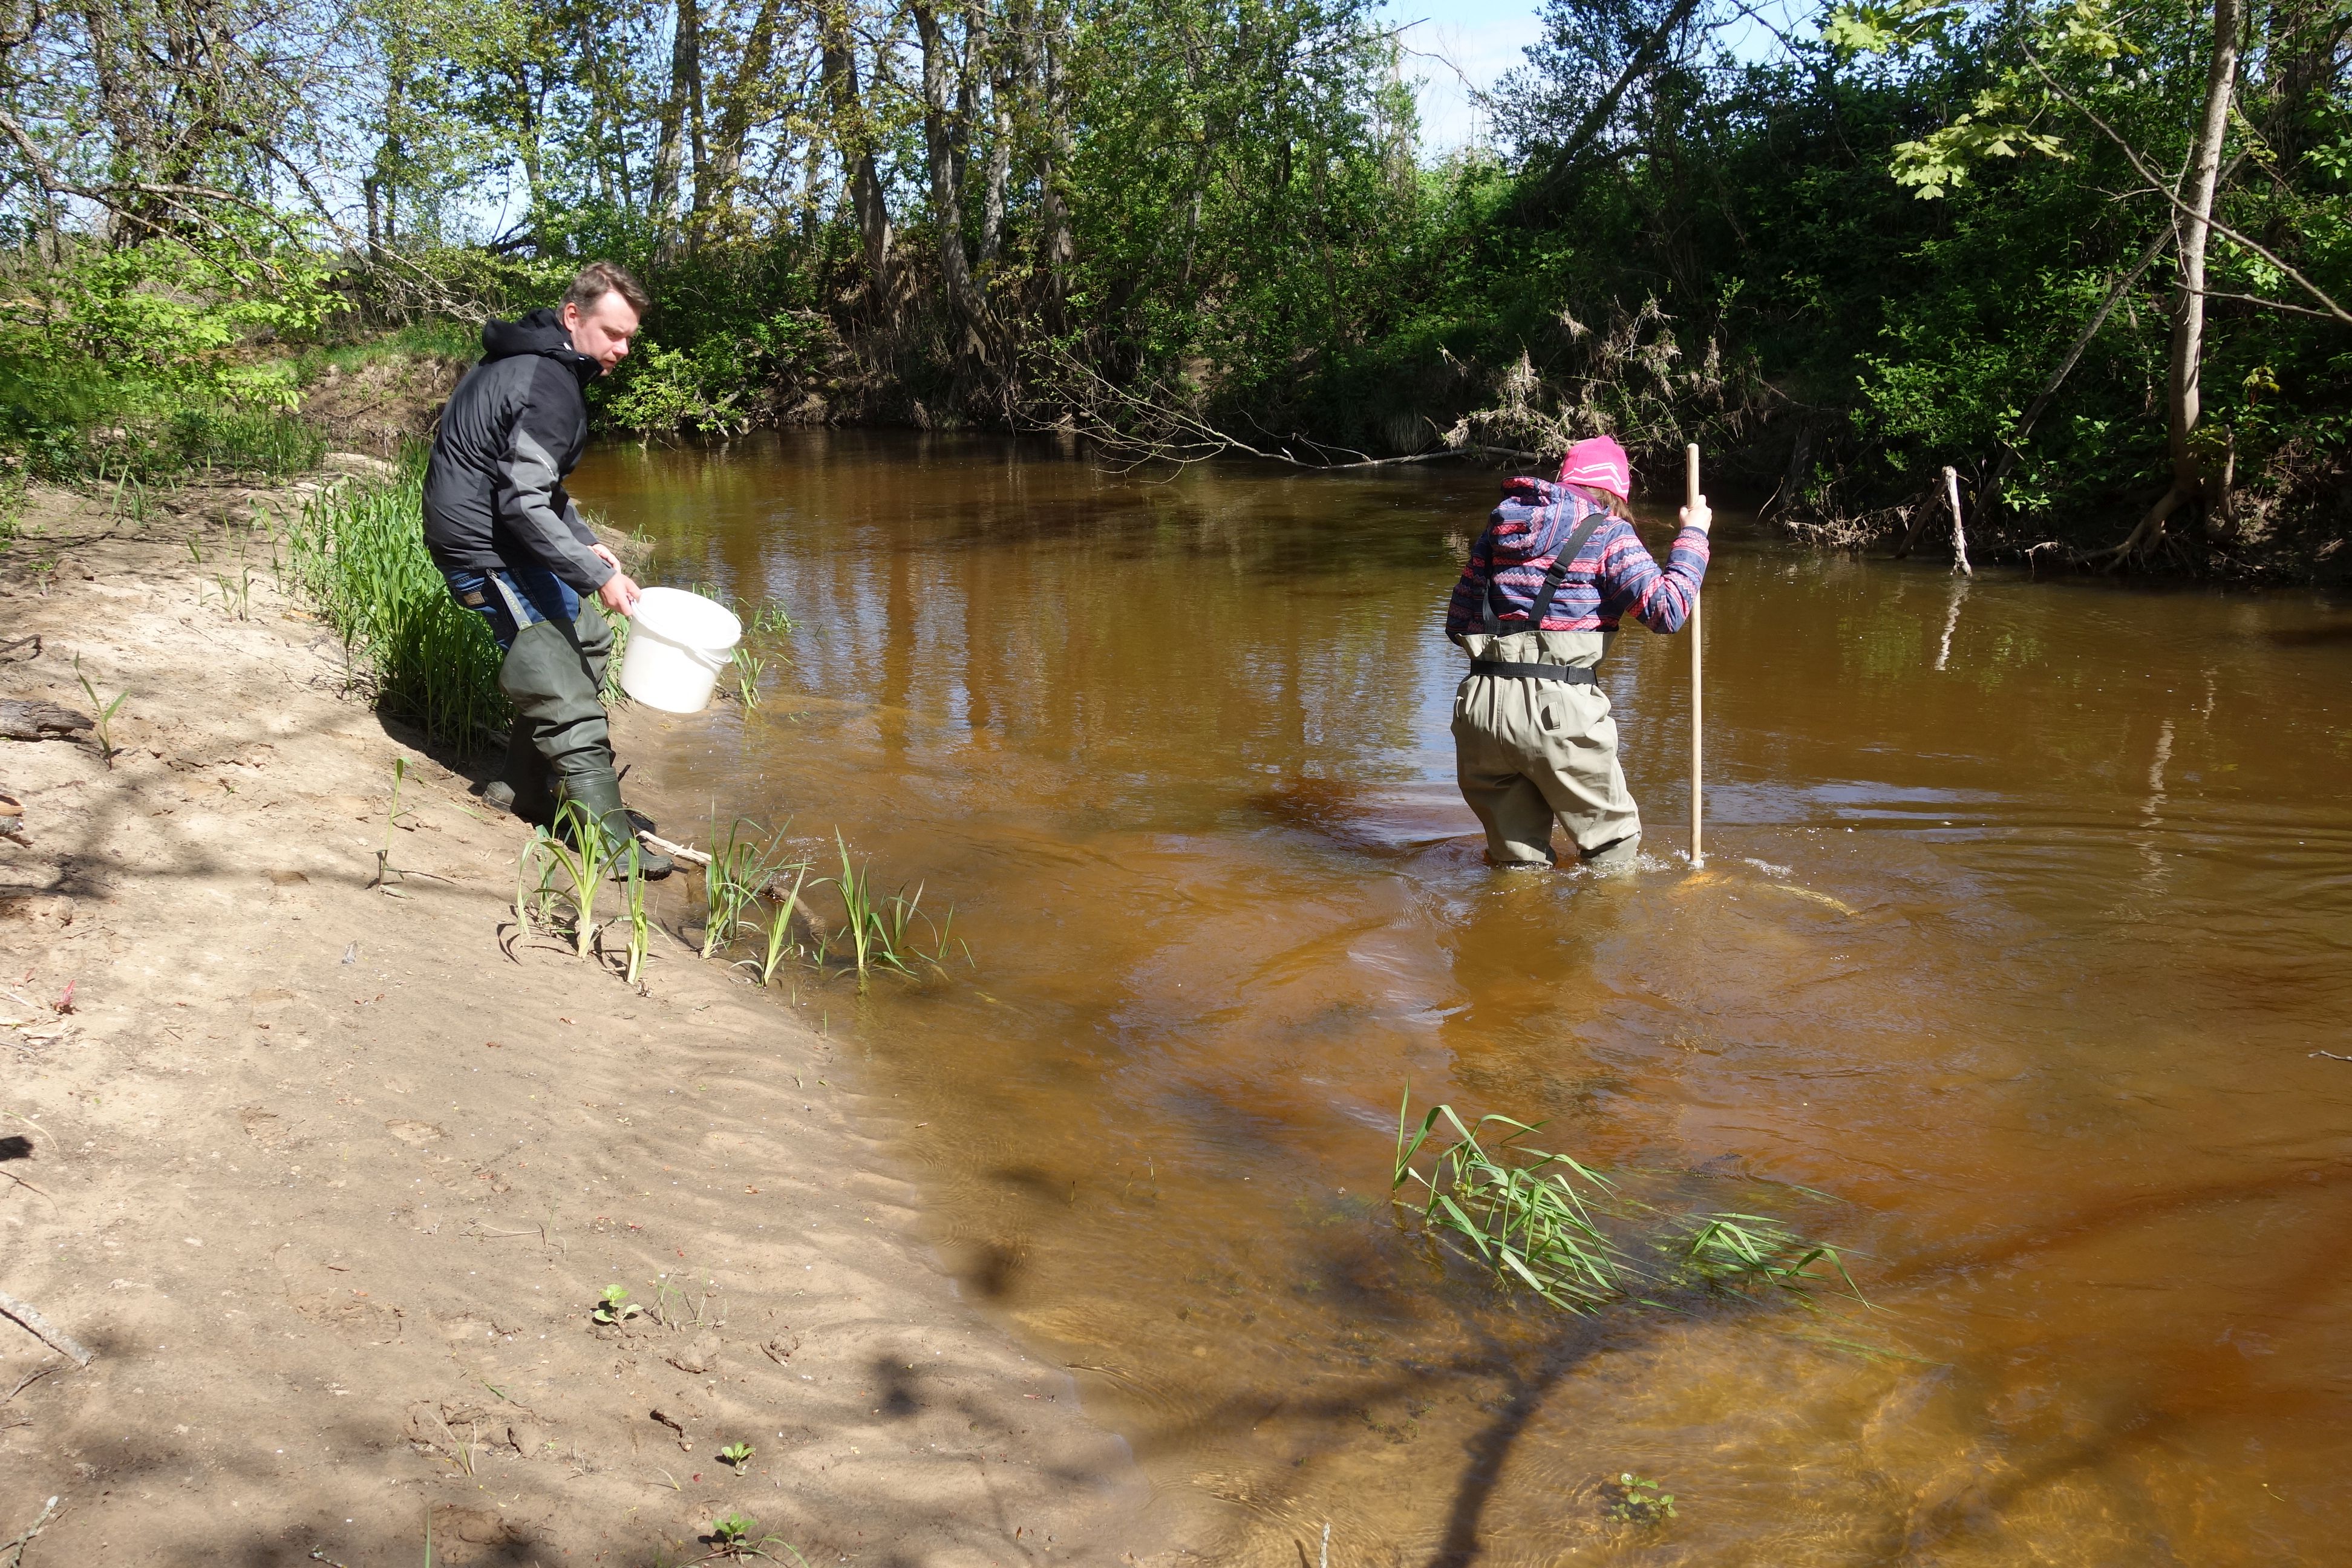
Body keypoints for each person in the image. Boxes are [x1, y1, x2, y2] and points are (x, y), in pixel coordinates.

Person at [421, 260, 670, 878]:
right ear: (572, 317)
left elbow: (536, 484)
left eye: (630, 337)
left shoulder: (536, 365)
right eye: (612, 333)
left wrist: (587, 544)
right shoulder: (549, 384)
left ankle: (521, 790)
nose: (623, 348)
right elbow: (522, 501)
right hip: (483, 549)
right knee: (561, 684)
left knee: (586, 639)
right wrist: (598, 577)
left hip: (504, 538)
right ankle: (611, 846)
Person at [1444, 434, 1710, 875]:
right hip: (1559, 708)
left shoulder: (1497, 534)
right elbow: (1667, 611)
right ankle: (1608, 939)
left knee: (1517, 864)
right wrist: (1694, 536)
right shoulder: (1608, 533)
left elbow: (1458, 621)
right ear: (1615, 493)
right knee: (1613, 853)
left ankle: (1511, 940)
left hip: (1479, 708)